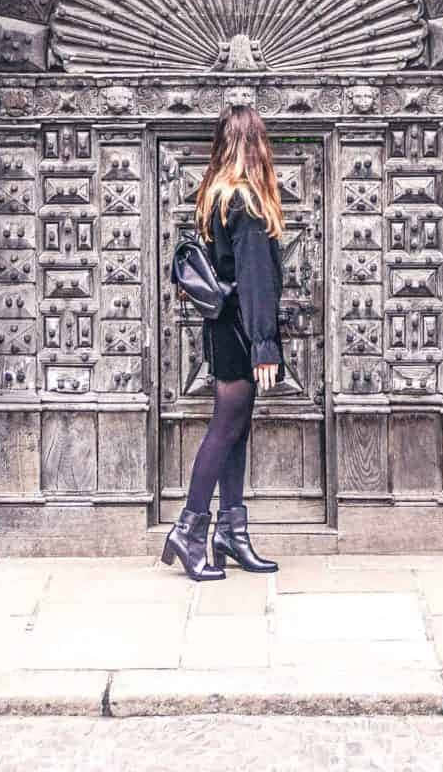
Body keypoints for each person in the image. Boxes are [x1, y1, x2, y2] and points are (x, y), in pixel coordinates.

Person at [161, 104, 284, 582]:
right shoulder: (248, 203)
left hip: (221, 329)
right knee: (225, 428)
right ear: (256, 144)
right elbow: (255, 281)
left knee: (235, 429)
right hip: (241, 331)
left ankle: (231, 532)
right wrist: (265, 345)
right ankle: (189, 531)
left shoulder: (213, 197)